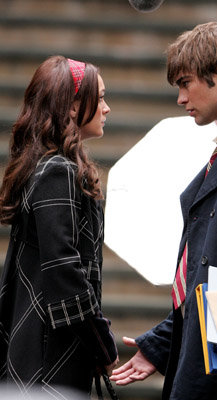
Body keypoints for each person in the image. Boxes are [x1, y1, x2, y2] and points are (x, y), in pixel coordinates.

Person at [111, 22, 217, 399]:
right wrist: (162, 342)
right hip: (216, 351)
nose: (180, 98)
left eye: (185, 83)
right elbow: (211, 267)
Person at [0, 56, 118, 399]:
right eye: (101, 98)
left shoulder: (50, 166)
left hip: (47, 345)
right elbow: (63, 270)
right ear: (73, 108)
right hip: (46, 355)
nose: (107, 109)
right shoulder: (56, 171)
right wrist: (101, 344)